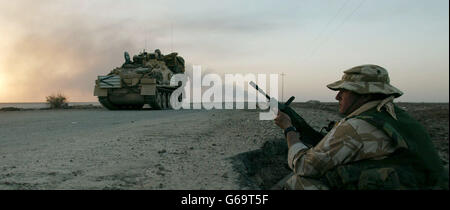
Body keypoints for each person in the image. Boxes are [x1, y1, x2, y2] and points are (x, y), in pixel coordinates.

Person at [274, 64, 447, 190]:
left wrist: (289, 130)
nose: (337, 97)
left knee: (298, 183)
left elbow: (304, 166)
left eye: (345, 91)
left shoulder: (358, 126)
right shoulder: (395, 116)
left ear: (365, 94)